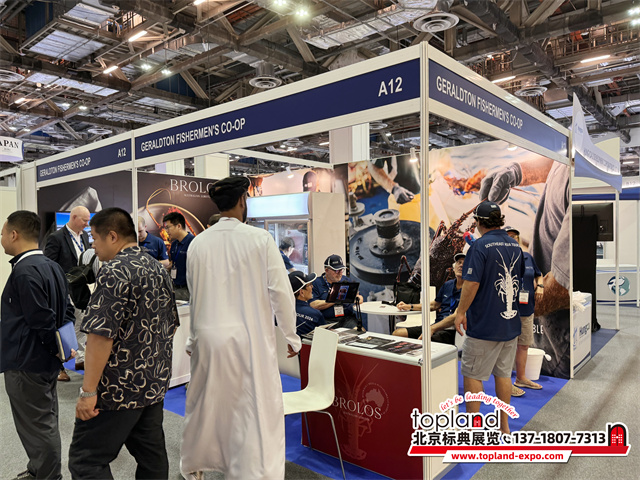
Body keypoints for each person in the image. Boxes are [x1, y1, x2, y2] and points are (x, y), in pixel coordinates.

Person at [180, 176, 301, 480]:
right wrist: (291, 335)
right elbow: (281, 292)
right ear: (242, 201)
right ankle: (251, 470)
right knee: (253, 409)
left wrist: (193, 339)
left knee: (206, 407)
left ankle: (195, 464)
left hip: (207, 339)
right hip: (249, 341)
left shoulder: (198, 243)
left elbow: (195, 296)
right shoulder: (260, 239)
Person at [68, 207, 179, 479]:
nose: (93, 245)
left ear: (113, 236)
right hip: (152, 384)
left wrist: (88, 392)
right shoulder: (157, 268)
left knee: (87, 461)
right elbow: (171, 324)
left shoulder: (115, 271)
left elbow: (100, 337)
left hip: (117, 390)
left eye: (95, 238)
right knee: (152, 459)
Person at [480, 158, 572, 377]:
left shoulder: (577, 180)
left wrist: (501, 308)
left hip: (558, 341)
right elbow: (555, 165)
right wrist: (517, 172)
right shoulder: (564, 161)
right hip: (530, 324)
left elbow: (563, 285)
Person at [1, 210, 74, 480]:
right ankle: (39, 470)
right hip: (45, 361)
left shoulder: (24, 272)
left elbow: (41, 319)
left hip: (27, 363)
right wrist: (63, 349)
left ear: (14, 234)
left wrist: (55, 347)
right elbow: (67, 311)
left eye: (2, 233)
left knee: (38, 426)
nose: (1, 238)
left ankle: (48, 476)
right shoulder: (52, 266)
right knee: (45, 419)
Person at [454, 201, 525, 435]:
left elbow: (471, 283)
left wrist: (461, 312)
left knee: (473, 375)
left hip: (484, 325)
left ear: (478, 222)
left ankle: (473, 430)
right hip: (510, 325)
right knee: (503, 375)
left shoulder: (480, 246)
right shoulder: (515, 245)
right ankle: (504, 427)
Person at [44, 205, 91, 379]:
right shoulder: (56, 238)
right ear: (74, 217)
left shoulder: (84, 236)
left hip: (80, 289)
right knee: (62, 325)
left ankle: (80, 358)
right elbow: (48, 265)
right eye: (84, 220)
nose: (87, 224)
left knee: (81, 322)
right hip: (63, 289)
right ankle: (59, 367)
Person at [393, 253, 465, 345]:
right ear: (453, 268)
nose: (461, 265)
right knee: (398, 334)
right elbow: (434, 305)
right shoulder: (448, 285)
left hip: (453, 331)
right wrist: (409, 306)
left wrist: (432, 328)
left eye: (465, 263)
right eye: (459, 262)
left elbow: (456, 316)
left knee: (425, 343)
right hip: (436, 326)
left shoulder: (470, 289)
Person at [504, 226, 544, 395]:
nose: (513, 238)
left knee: (524, 345)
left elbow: (538, 274)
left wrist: (540, 286)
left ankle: (521, 378)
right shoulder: (500, 258)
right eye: (509, 236)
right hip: (507, 310)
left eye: (515, 236)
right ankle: (506, 384)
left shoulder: (527, 257)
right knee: (507, 347)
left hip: (526, 309)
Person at [310, 254, 363, 329]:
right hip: (327, 320)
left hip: (347, 319)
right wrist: (337, 298)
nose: (340, 273)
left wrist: (355, 298)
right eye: (336, 270)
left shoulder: (346, 281)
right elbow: (313, 305)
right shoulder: (316, 283)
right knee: (333, 335)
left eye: (341, 270)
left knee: (360, 332)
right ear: (326, 270)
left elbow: (360, 298)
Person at [162, 211, 194, 301]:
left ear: (179, 226)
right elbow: (174, 263)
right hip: (174, 286)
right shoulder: (174, 244)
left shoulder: (193, 243)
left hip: (187, 290)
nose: (166, 231)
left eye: (168, 227)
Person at [289, 271, 325, 336]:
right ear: (302, 292)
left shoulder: (280, 310)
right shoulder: (315, 314)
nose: (312, 287)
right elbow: (324, 336)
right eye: (310, 285)